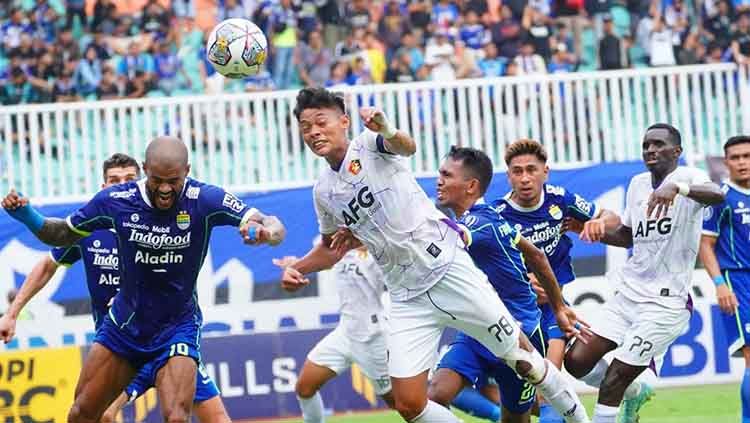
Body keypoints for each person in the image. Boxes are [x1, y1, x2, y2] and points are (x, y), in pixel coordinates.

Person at [282, 87, 590, 423]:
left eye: (320, 122)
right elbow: (330, 248)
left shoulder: (368, 145)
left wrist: (385, 127)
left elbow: (406, 146)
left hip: (447, 269)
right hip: (405, 296)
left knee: (523, 359)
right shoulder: (323, 191)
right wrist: (298, 268)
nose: (313, 132)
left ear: (343, 121)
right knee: (409, 403)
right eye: (305, 126)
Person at [1, 137, 286, 422]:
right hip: (125, 327)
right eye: (157, 179)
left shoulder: (205, 198)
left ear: (187, 170)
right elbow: (61, 234)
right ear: (145, 168)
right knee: (81, 414)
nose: (164, 189)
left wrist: (266, 234)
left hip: (177, 328)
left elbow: (272, 223)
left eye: (173, 180)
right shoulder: (115, 202)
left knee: (177, 417)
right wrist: (27, 215)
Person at [563, 123, 725, 423]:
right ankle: (635, 391)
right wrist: (584, 230)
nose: (651, 149)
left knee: (613, 379)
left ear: (676, 151)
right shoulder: (638, 183)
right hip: (628, 295)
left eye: (659, 144)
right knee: (575, 362)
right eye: (646, 144)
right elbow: (628, 235)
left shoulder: (689, 177)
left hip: (665, 304)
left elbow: (718, 193)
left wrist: (679, 188)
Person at [428, 146, 589, 423]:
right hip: (479, 329)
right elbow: (537, 255)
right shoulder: (493, 215)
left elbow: (453, 238)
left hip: (518, 334)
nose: (438, 181)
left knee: (522, 415)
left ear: (471, 186)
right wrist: (560, 306)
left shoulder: (476, 223)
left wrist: (558, 307)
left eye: (446, 175)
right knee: (436, 395)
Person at [493, 139, 621, 423]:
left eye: (531, 170)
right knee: (523, 398)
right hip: (514, 314)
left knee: (551, 382)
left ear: (545, 172)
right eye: (517, 171)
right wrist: (518, 280)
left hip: (554, 307)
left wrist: (600, 222)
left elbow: (613, 218)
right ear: (508, 176)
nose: (525, 178)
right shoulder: (497, 215)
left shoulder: (560, 199)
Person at [275, 246, 394, 422]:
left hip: (372, 337)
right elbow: (322, 261)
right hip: (344, 333)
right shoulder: (338, 249)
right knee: (304, 388)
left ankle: (442, 404)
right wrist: (296, 265)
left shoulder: (375, 249)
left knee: (401, 404)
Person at [699, 135, 750, 423]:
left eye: (747, 156)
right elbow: (705, 245)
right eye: (736, 157)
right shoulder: (720, 197)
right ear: (726, 162)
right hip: (739, 282)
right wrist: (720, 285)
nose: (742, 163)